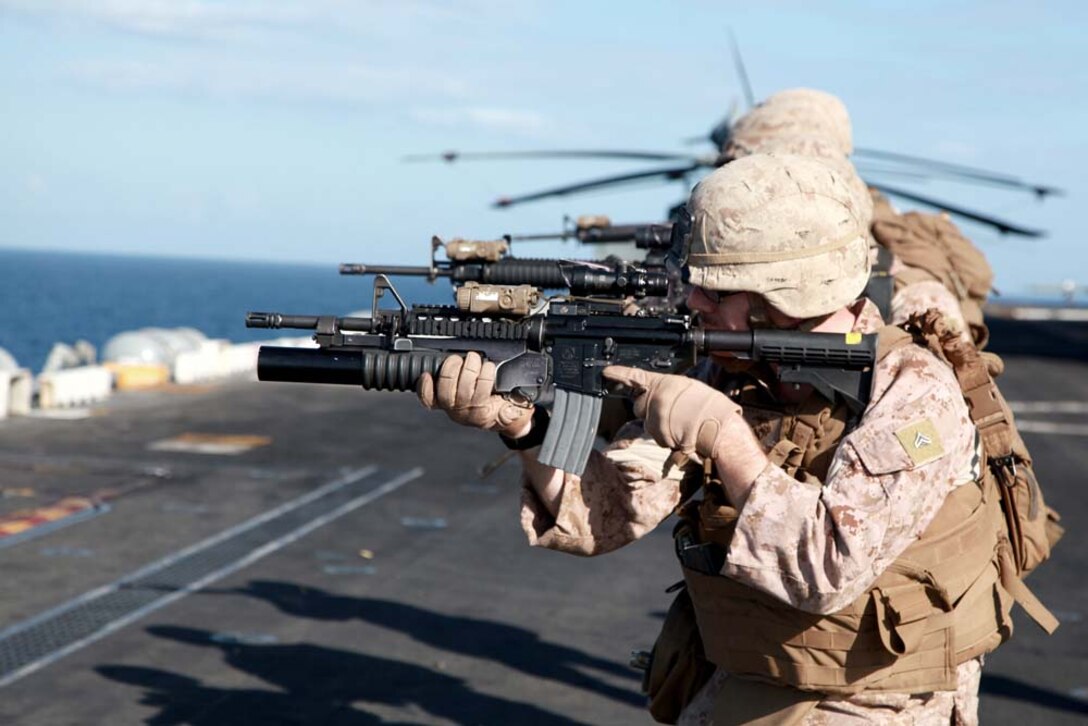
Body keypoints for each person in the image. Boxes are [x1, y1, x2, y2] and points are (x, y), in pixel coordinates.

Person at [418, 153, 1019, 725]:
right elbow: (606, 514)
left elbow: (828, 568)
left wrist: (726, 439)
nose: (693, 301)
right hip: (757, 667)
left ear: (782, 294)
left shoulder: (915, 394)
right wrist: (524, 426)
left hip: (879, 697)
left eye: (716, 289)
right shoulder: (725, 367)